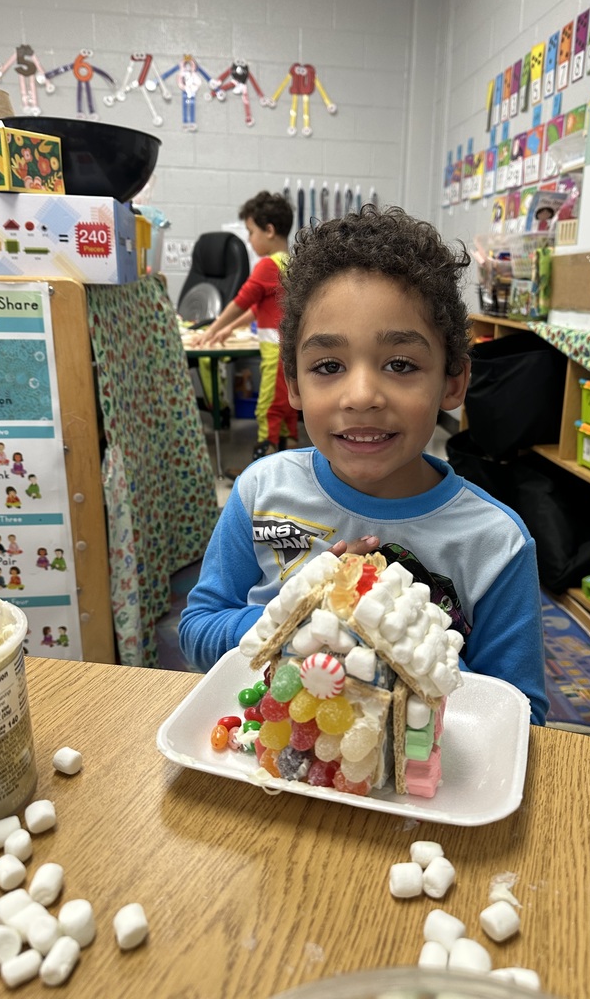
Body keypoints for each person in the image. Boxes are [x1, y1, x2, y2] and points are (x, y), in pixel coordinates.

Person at [180, 205, 548, 725]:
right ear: (294, 384)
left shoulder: (495, 544)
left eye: (400, 364)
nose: (361, 395)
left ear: (452, 383)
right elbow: (196, 630)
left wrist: (411, 649)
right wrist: (303, 612)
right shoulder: (262, 491)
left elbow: (522, 717)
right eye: (328, 366)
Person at [190, 190, 298, 465]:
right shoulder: (290, 263)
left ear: (269, 230)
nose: (250, 241)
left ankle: (267, 462)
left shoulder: (267, 266)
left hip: (276, 352)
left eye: (251, 232)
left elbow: (241, 301)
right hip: (285, 350)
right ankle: (289, 457)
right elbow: (256, 309)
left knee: (267, 408)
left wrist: (212, 330)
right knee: (285, 408)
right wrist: (228, 329)